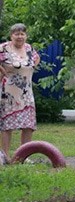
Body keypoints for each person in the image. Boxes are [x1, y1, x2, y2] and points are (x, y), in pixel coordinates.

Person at [0, 23, 41, 158]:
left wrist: (30, 69)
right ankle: (5, 156)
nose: (20, 37)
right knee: (7, 125)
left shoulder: (29, 48)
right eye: (16, 34)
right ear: (11, 36)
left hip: (26, 92)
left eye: (22, 34)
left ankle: (23, 156)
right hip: (9, 92)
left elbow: (36, 58)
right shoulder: (4, 48)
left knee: (28, 125)